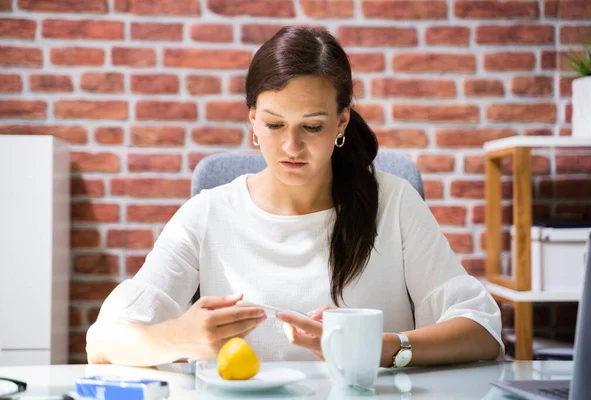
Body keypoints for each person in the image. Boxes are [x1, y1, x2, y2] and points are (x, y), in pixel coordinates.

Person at [86, 26, 503, 368]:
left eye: (312, 127)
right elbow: (104, 342)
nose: (291, 146)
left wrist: (382, 347)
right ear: (252, 120)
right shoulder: (208, 213)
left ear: (341, 122)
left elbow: (481, 330)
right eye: (274, 125)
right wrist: (179, 338)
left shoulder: (393, 202)